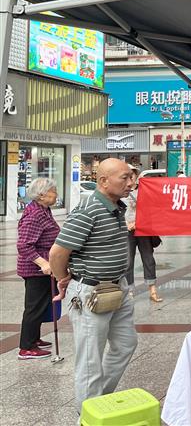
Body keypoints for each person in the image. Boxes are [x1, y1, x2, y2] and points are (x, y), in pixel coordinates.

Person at [49, 158, 137, 413]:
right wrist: (63, 279)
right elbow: (57, 253)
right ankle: (88, 414)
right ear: (103, 181)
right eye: (124, 178)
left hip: (117, 288)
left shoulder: (116, 207)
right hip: (90, 292)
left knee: (126, 344)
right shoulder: (88, 210)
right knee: (90, 360)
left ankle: (96, 404)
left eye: (131, 177)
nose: (131, 183)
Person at [16, 177, 60, 360]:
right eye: (53, 191)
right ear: (42, 195)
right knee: (34, 307)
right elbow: (24, 245)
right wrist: (43, 263)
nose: (56, 194)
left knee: (41, 306)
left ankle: (34, 338)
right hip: (35, 270)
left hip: (44, 268)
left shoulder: (44, 210)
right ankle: (26, 348)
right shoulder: (35, 214)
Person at [124, 166, 163, 302]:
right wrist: (126, 224)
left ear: (136, 176)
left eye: (132, 174)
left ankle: (153, 290)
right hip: (127, 230)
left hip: (143, 229)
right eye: (127, 175)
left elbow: (151, 209)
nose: (130, 177)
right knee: (128, 261)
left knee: (148, 259)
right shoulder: (120, 191)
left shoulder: (144, 190)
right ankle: (129, 291)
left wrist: (138, 222)